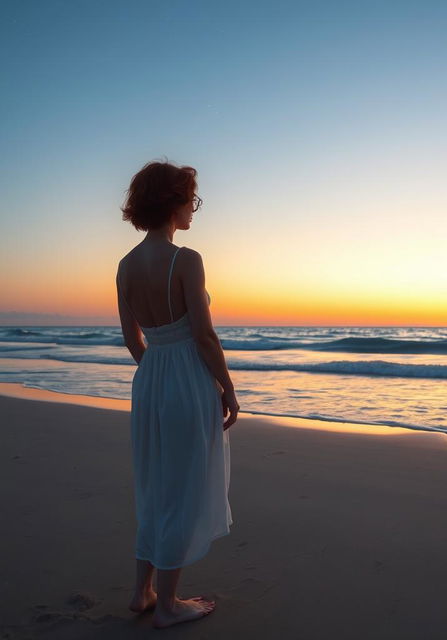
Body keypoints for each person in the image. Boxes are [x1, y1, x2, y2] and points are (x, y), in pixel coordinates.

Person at [116, 159, 239, 629]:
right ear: (174, 202)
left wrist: (157, 377)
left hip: (149, 381)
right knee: (184, 488)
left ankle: (141, 592)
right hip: (187, 377)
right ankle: (167, 605)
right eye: (193, 199)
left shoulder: (126, 265)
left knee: (154, 485)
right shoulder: (186, 259)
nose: (195, 209)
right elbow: (205, 337)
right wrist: (226, 388)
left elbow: (133, 339)